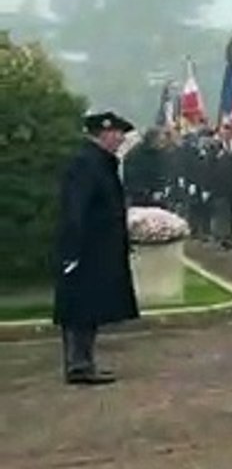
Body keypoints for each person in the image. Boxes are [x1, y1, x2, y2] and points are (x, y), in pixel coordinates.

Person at [53, 111, 141, 385]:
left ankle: (83, 362)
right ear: (103, 134)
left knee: (89, 308)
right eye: (116, 134)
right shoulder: (86, 163)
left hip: (97, 249)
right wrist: (72, 251)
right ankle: (78, 364)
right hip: (87, 249)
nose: (119, 139)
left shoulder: (100, 163)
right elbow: (75, 210)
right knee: (80, 308)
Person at [207, 123, 232, 251]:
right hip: (220, 186)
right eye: (225, 130)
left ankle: (230, 237)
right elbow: (209, 166)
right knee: (222, 212)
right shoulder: (215, 148)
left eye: (230, 130)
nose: (227, 134)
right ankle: (222, 238)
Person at [123, 127, 171, 208]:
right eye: (160, 141)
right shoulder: (135, 154)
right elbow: (131, 176)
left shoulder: (161, 153)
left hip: (158, 194)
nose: (162, 144)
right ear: (152, 140)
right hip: (139, 196)